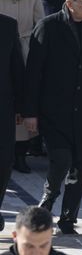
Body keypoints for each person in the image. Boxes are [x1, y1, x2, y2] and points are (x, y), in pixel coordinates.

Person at [23, 0, 82, 235]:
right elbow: (33, 73)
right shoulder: (48, 26)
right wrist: (30, 112)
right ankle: (48, 200)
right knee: (61, 160)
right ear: (70, 4)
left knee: (80, 168)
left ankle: (69, 217)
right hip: (55, 111)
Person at [0, 0, 43, 175]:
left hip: (25, 47)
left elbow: (40, 20)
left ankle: (20, 153)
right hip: (3, 48)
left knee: (24, 95)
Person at [0, 13, 23, 233]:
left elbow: (17, 67)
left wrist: (23, 107)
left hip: (2, 107)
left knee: (4, 161)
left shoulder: (7, 25)